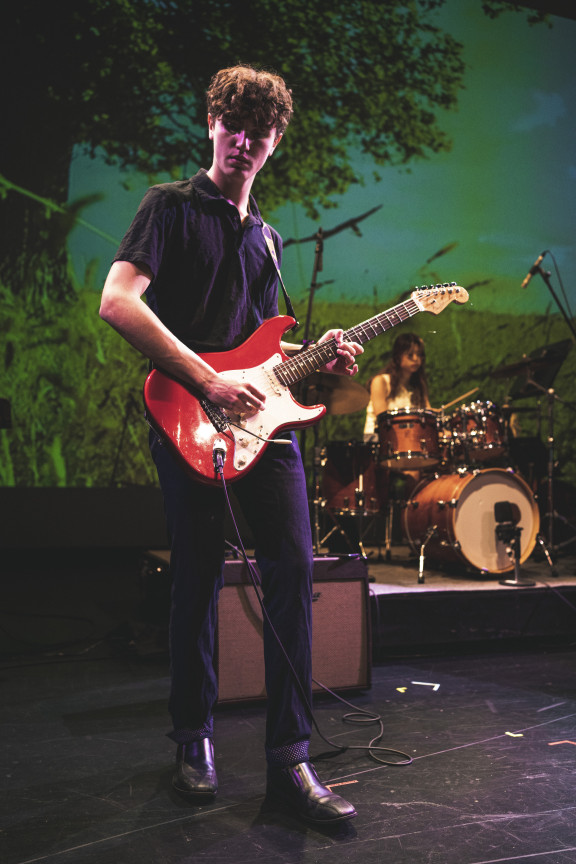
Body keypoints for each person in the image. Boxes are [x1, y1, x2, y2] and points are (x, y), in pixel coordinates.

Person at [99, 64, 363, 825]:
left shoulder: (271, 240)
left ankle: (291, 762)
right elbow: (117, 300)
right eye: (233, 123)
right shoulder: (170, 208)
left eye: (261, 130)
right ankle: (194, 740)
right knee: (197, 585)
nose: (244, 140)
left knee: (292, 576)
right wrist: (206, 381)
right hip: (188, 418)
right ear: (211, 123)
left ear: (276, 142)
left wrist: (319, 358)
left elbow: (261, 351)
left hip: (261, 432)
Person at [363, 332, 431, 440]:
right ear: (398, 356)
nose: (416, 359)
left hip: (408, 439)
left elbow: (428, 415)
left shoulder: (418, 386)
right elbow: (383, 420)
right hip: (378, 440)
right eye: (410, 354)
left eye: (419, 355)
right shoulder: (381, 381)